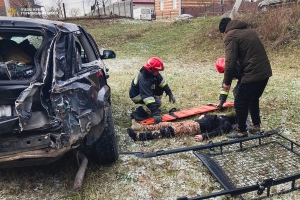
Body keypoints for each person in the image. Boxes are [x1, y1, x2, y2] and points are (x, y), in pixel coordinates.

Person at [218, 17, 272, 138]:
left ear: (224, 32)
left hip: (253, 73)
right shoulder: (249, 31)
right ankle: (256, 127)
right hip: (265, 72)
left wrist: (226, 83)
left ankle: (242, 131)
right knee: (253, 98)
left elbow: (230, 64)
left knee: (240, 102)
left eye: (222, 35)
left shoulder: (230, 36)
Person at [127, 112, 239, 142]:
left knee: (167, 131)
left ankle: (139, 136)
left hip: (195, 128)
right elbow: (212, 117)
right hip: (192, 122)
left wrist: (204, 137)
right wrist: (204, 115)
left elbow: (217, 132)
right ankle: (139, 127)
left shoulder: (227, 124)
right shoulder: (224, 117)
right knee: (164, 124)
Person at [129, 57, 176, 124]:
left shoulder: (153, 73)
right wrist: (156, 114)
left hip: (144, 92)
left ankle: (152, 108)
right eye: (157, 71)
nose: (158, 72)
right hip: (137, 96)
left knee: (159, 90)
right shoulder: (144, 79)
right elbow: (147, 98)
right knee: (157, 103)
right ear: (151, 69)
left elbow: (162, 83)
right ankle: (138, 112)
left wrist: (169, 92)